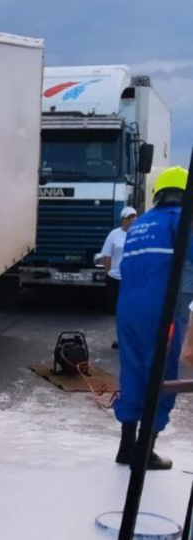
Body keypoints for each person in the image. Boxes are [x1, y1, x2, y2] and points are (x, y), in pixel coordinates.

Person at [114, 166, 189, 471]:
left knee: (132, 373)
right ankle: (145, 452)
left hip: (127, 310)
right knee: (161, 376)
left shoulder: (140, 224)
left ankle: (126, 446)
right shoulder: (180, 220)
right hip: (161, 311)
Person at [97, 206, 137, 348]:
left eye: (134, 217)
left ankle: (130, 338)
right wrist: (107, 273)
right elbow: (107, 256)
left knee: (131, 309)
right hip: (115, 278)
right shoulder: (114, 234)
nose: (132, 220)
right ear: (122, 220)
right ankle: (121, 338)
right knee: (118, 311)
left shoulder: (138, 234)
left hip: (131, 279)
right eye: (129, 217)